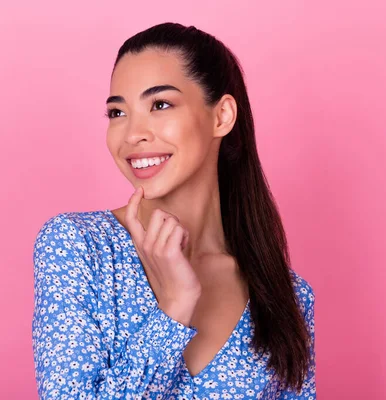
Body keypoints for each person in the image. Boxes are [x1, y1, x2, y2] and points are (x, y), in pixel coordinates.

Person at [31, 22, 316, 400]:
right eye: (117, 113)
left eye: (160, 104)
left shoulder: (287, 297)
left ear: (222, 116)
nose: (132, 134)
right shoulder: (78, 247)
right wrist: (174, 307)